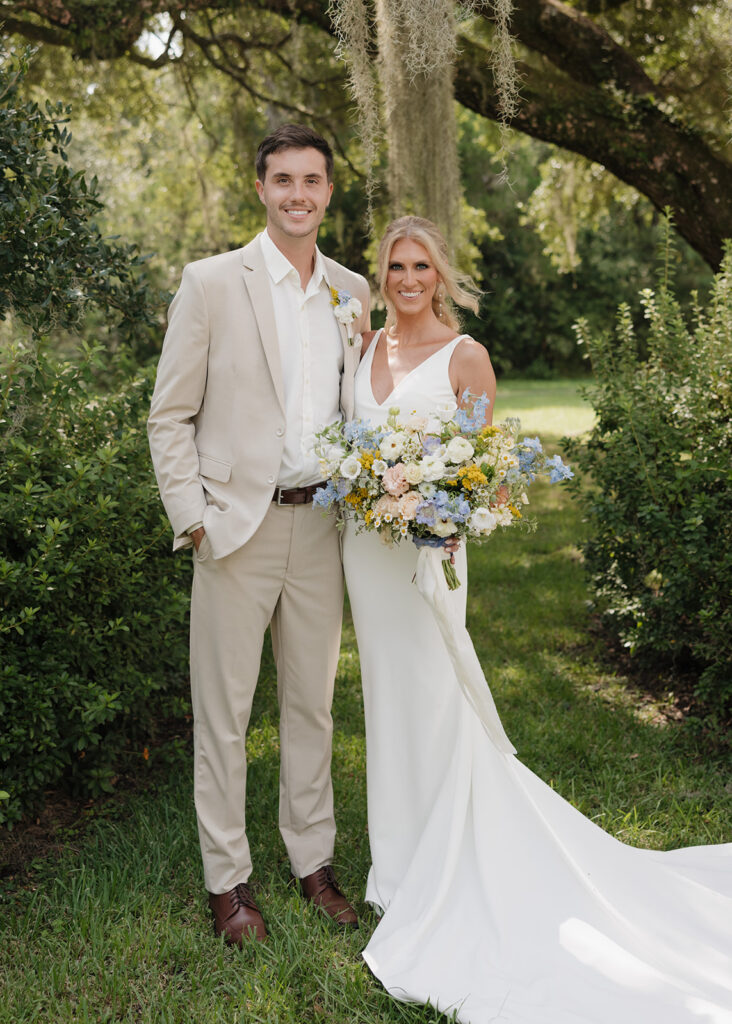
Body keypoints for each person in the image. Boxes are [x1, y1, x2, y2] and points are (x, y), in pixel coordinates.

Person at [342, 215, 732, 1022]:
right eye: (395, 266)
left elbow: (483, 474)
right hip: (363, 551)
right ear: (380, 274)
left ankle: (448, 866)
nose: (408, 279)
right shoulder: (363, 350)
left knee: (434, 691)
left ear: (440, 275)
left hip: (427, 554)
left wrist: (441, 517)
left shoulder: (465, 355)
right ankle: (397, 869)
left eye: (421, 266)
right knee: (384, 696)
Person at [147, 124, 370, 945]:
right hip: (234, 531)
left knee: (312, 707)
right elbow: (169, 413)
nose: (298, 195)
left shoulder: (351, 293)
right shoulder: (211, 283)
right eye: (283, 180)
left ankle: (314, 864)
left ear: (329, 192)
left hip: (321, 529)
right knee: (226, 715)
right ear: (261, 189)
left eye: (312, 181)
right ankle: (229, 882)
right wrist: (194, 520)